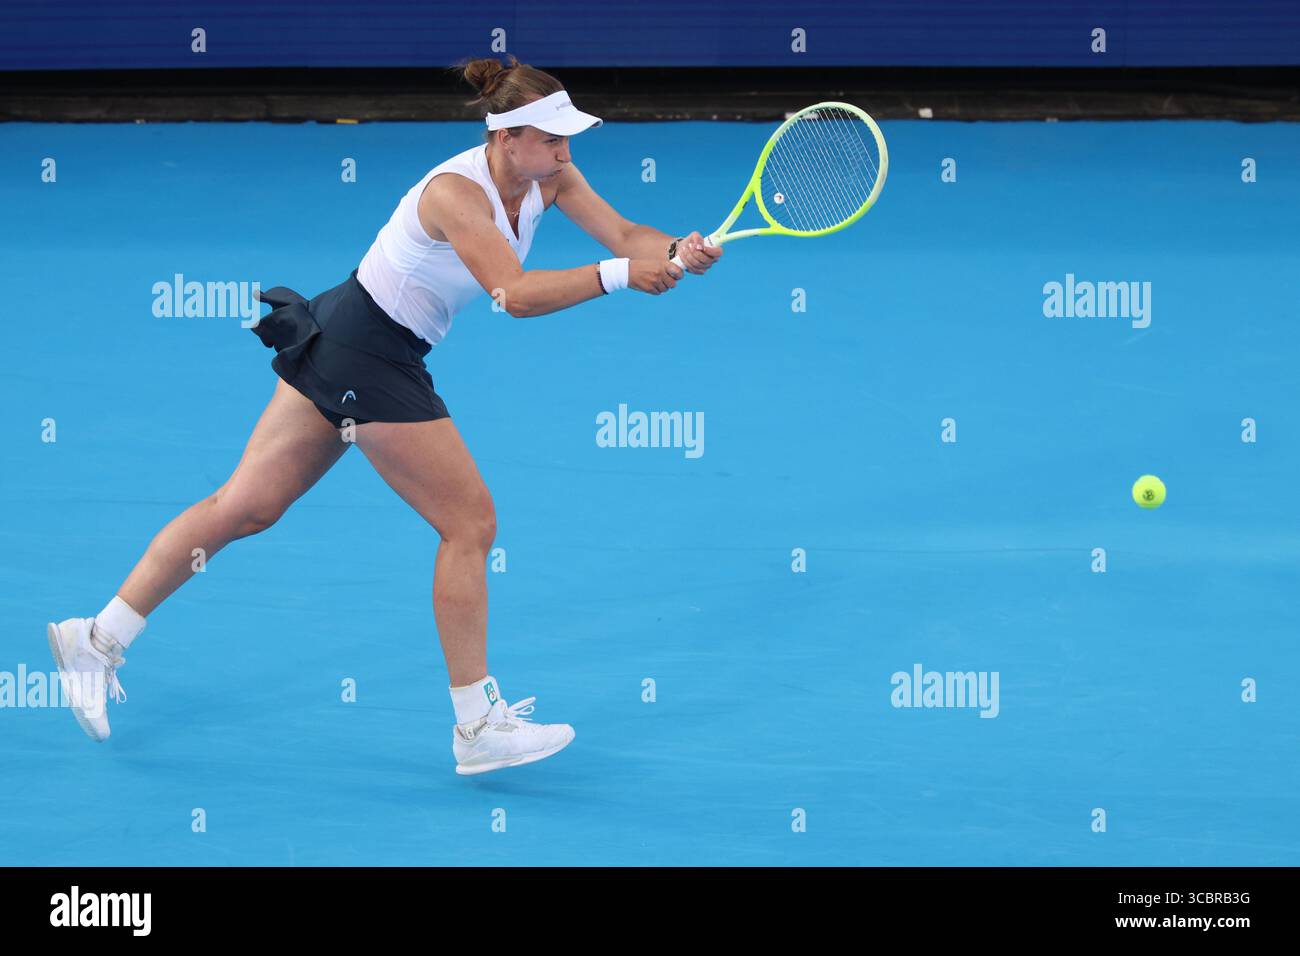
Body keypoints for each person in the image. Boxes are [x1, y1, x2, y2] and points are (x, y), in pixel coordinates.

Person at [46, 55, 723, 775]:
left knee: (246, 506)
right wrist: (620, 278)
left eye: (566, 139)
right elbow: (515, 294)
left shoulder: (551, 178)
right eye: (552, 139)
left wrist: (673, 249)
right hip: (367, 351)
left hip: (348, 334)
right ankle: (476, 726)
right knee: (469, 524)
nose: (564, 152)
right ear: (506, 137)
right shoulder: (454, 193)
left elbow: (624, 233)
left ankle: (97, 637)